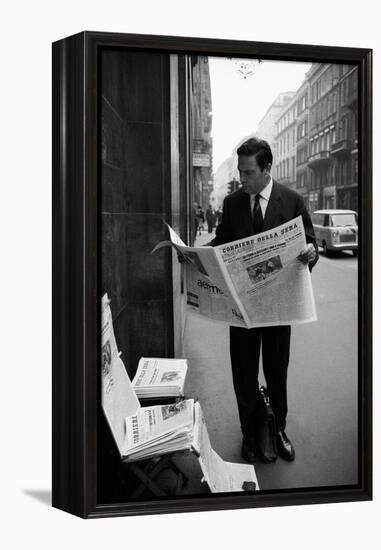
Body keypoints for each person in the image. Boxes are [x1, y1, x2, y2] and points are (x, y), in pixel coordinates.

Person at [211, 137, 318, 464]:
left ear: (267, 169)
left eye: (248, 172)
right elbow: (221, 242)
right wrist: (197, 256)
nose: (242, 179)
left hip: (278, 306)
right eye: (241, 172)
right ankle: (249, 434)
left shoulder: (292, 201)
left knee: (276, 371)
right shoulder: (232, 204)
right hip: (242, 308)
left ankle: (278, 429)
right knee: (243, 373)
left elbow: (310, 245)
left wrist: (311, 254)